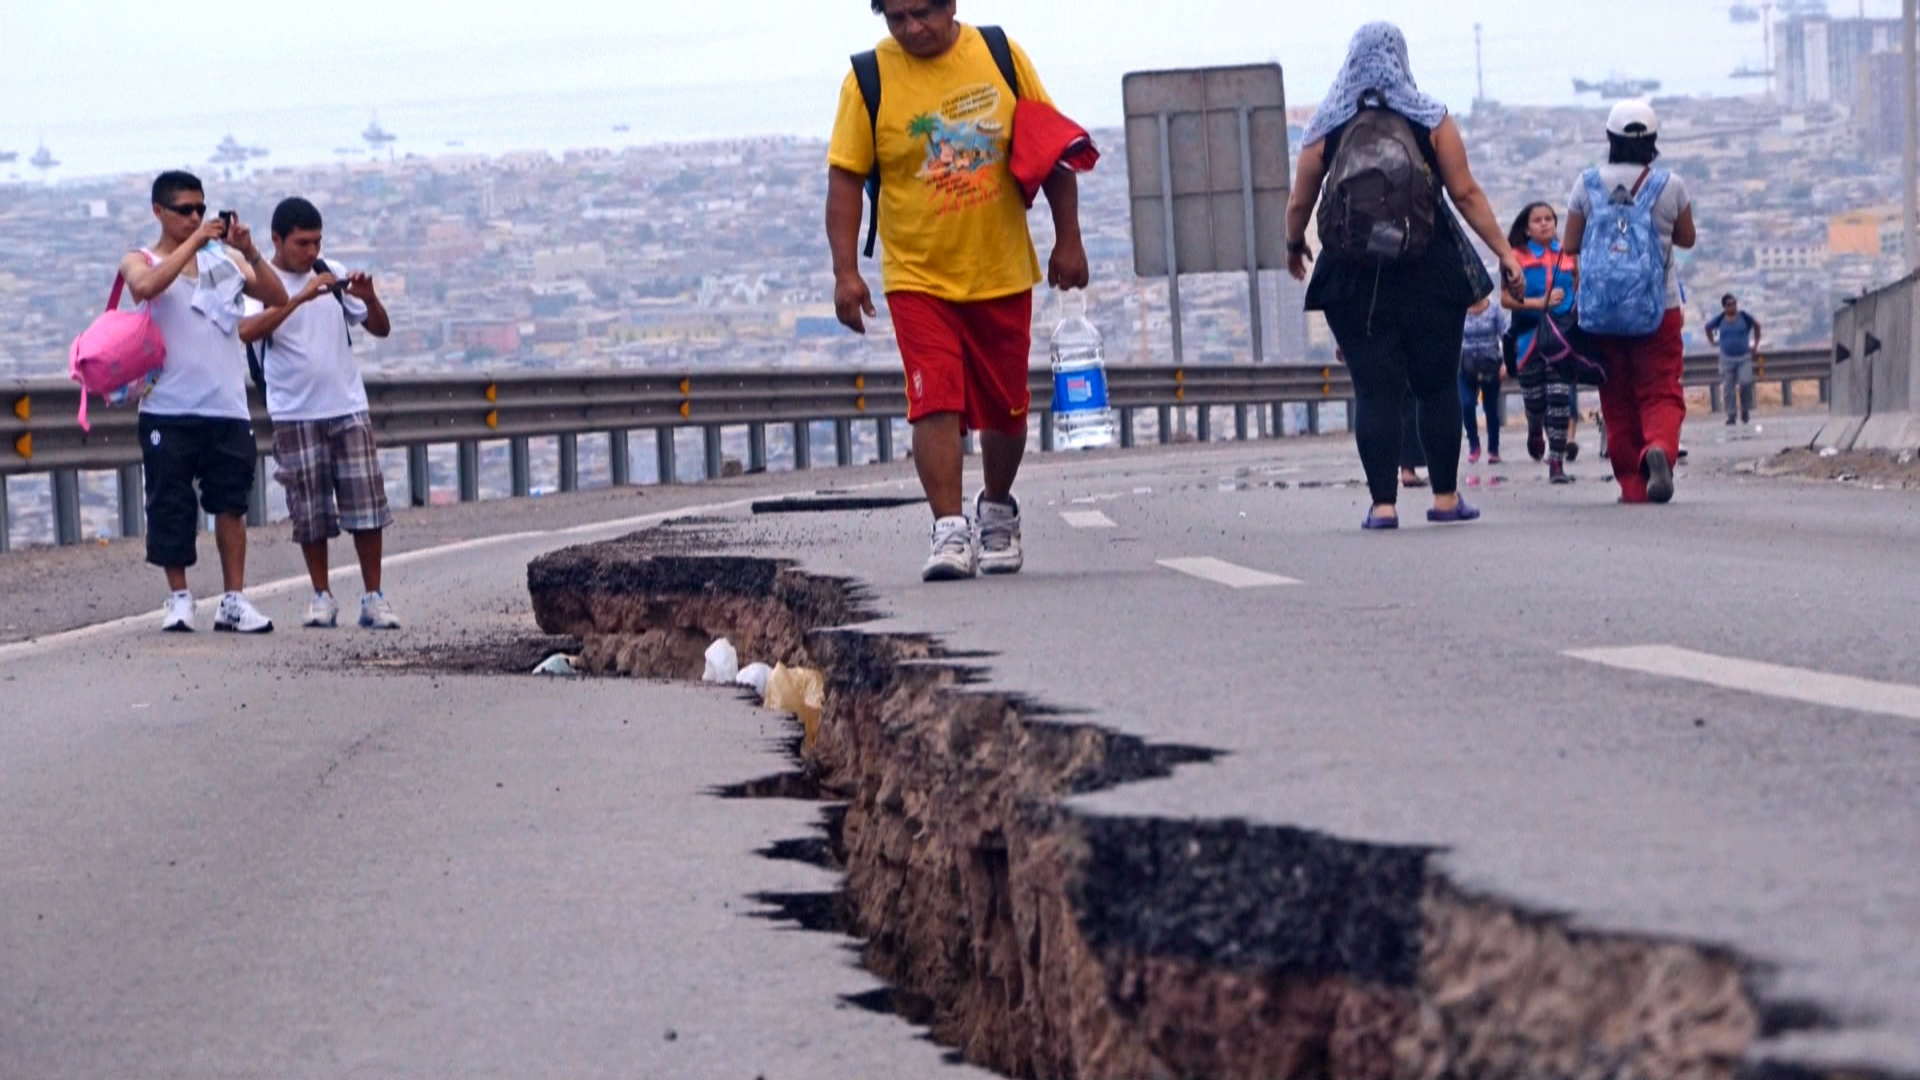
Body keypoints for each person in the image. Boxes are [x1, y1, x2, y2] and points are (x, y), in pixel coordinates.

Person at [825, 0, 1088, 581]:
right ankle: (948, 527)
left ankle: (996, 505)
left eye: (922, 13)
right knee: (934, 396)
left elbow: (1052, 151)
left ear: (950, 6)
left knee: (1006, 408)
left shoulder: (999, 55)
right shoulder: (867, 79)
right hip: (917, 276)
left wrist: (1068, 238)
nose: (912, 28)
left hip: (999, 271)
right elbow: (845, 179)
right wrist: (846, 272)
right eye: (896, 19)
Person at [1286, 22, 1523, 530]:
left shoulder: (1327, 124)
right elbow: (1465, 194)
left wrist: (1294, 245)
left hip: (1354, 277)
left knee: (1375, 392)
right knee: (1437, 386)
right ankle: (1444, 498)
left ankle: (1384, 506)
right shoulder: (1430, 118)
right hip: (1430, 269)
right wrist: (1503, 251)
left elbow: (1300, 200)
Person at [121, 171, 290, 633]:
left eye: (201, 209)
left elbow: (276, 296)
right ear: (159, 211)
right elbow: (146, 287)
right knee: (171, 504)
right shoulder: (141, 258)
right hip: (167, 406)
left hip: (225, 404)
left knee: (231, 504)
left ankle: (233, 599)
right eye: (185, 210)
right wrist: (194, 242)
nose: (195, 217)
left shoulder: (225, 260)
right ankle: (178, 597)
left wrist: (248, 250)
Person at [239, 197, 400, 629]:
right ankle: (321, 594)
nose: (311, 252)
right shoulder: (259, 282)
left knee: (366, 504)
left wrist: (369, 299)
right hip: (294, 411)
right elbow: (246, 331)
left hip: (347, 404)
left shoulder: (331, 271)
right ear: (277, 240)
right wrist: (299, 299)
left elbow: (379, 328)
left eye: (316, 242)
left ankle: (373, 595)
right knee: (309, 510)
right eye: (302, 243)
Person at [1564, 100, 1696, 505]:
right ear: (1652, 142)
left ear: (1610, 138)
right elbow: (1687, 239)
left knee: (1616, 397)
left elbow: (1569, 244)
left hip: (1602, 313)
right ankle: (1658, 447)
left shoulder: (1585, 185)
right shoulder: (1670, 185)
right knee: (1661, 390)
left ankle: (1633, 486)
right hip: (1659, 307)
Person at [1504, 201, 1580, 483]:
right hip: (1528, 339)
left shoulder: (1569, 255)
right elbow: (1505, 299)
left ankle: (1556, 463)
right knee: (1535, 401)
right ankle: (1535, 428)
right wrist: (1540, 303)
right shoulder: (1515, 257)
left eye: (1549, 219)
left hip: (1561, 339)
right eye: (1538, 220)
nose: (1545, 224)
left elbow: (1580, 287)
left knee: (1559, 399)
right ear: (1527, 227)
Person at [1459, 296, 1508, 464]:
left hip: (1491, 366)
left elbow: (1505, 335)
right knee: (1466, 404)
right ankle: (1474, 444)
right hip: (1466, 367)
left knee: (1491, 408)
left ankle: (1493, 449)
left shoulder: (1494, 309)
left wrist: (1506, 364)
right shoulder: (1459, 308)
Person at [1706, 293, 1762, 425]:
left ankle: (1745, 409)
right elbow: (1708, 327)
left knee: (1745, 383)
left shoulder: (1743, 317)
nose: (1733, 307)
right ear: (1724, 307)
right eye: (1729, 305)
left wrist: (1756, 344)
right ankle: (1731, 415)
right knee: (1728, 388)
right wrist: (1712, 342)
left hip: (1744, 357)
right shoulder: (1720, 319)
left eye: (1734, 304)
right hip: (1726, 358)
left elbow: (1757, 326)